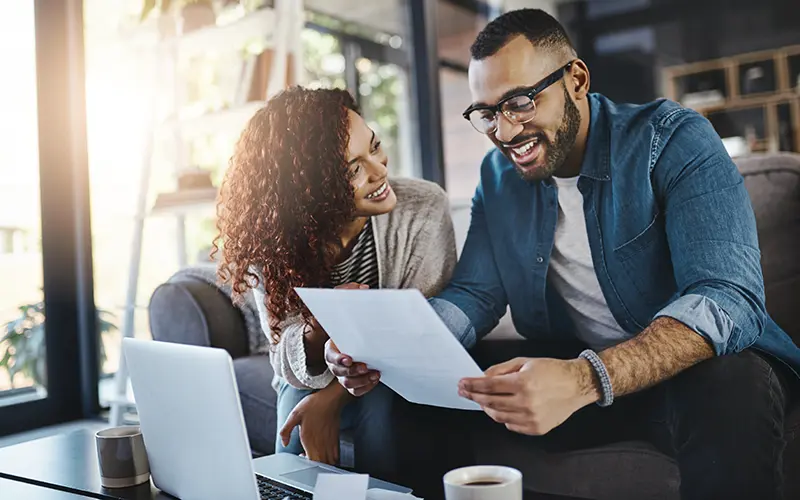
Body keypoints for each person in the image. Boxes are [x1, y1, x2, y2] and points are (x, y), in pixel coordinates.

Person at [326, 9, 800, 499]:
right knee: (405, 394)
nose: (505, 132)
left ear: (575, 79)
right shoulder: (498, 176)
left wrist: (585, 377)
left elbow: (727, 297)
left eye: (520, 102)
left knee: (729, 383)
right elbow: (475, 293)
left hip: (687, 376)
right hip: (578, 375)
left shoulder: (673, 139)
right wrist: (394, 349)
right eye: (486, 113)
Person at [213, 87, 456, 482]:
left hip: (396, 372)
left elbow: (419, 334)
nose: (379, 171)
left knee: (377, 402)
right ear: (309, 190)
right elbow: (284, 359)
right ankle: (287, 489)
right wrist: (318, 326)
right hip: (314, 374)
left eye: (374, 147)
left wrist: (329, 401)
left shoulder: (423, 208)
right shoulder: (271, 239)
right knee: (294, 397)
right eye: (353, 169)